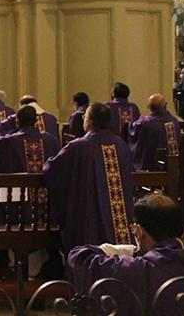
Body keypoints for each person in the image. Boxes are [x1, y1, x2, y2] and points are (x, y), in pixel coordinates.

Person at [67, 193, 184, 316]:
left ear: (139, 232)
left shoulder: (139, 269)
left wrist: (118, 250)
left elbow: (79, 258)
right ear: (183, 232)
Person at [43, 102, 134, 251]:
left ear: (90, 121)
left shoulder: (78, 146)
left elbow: (52, 170)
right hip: (119, 220)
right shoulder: (121, 145)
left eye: (85, 117)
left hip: (88, 216)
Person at [0, 105, 61, 279]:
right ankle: (51, 267)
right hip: (49, 212)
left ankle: (8, 267)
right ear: (36, 121)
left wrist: (5, 128)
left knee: (1, 213)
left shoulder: (8, 142)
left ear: (17, 122)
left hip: (20, 212)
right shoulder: (52, 141)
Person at [128, 94, 182, 171]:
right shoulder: (173, 122)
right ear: (165, 105)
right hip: (170, 166)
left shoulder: (144, 123)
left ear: (149, 107)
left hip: (149, 166)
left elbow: (132, 132)